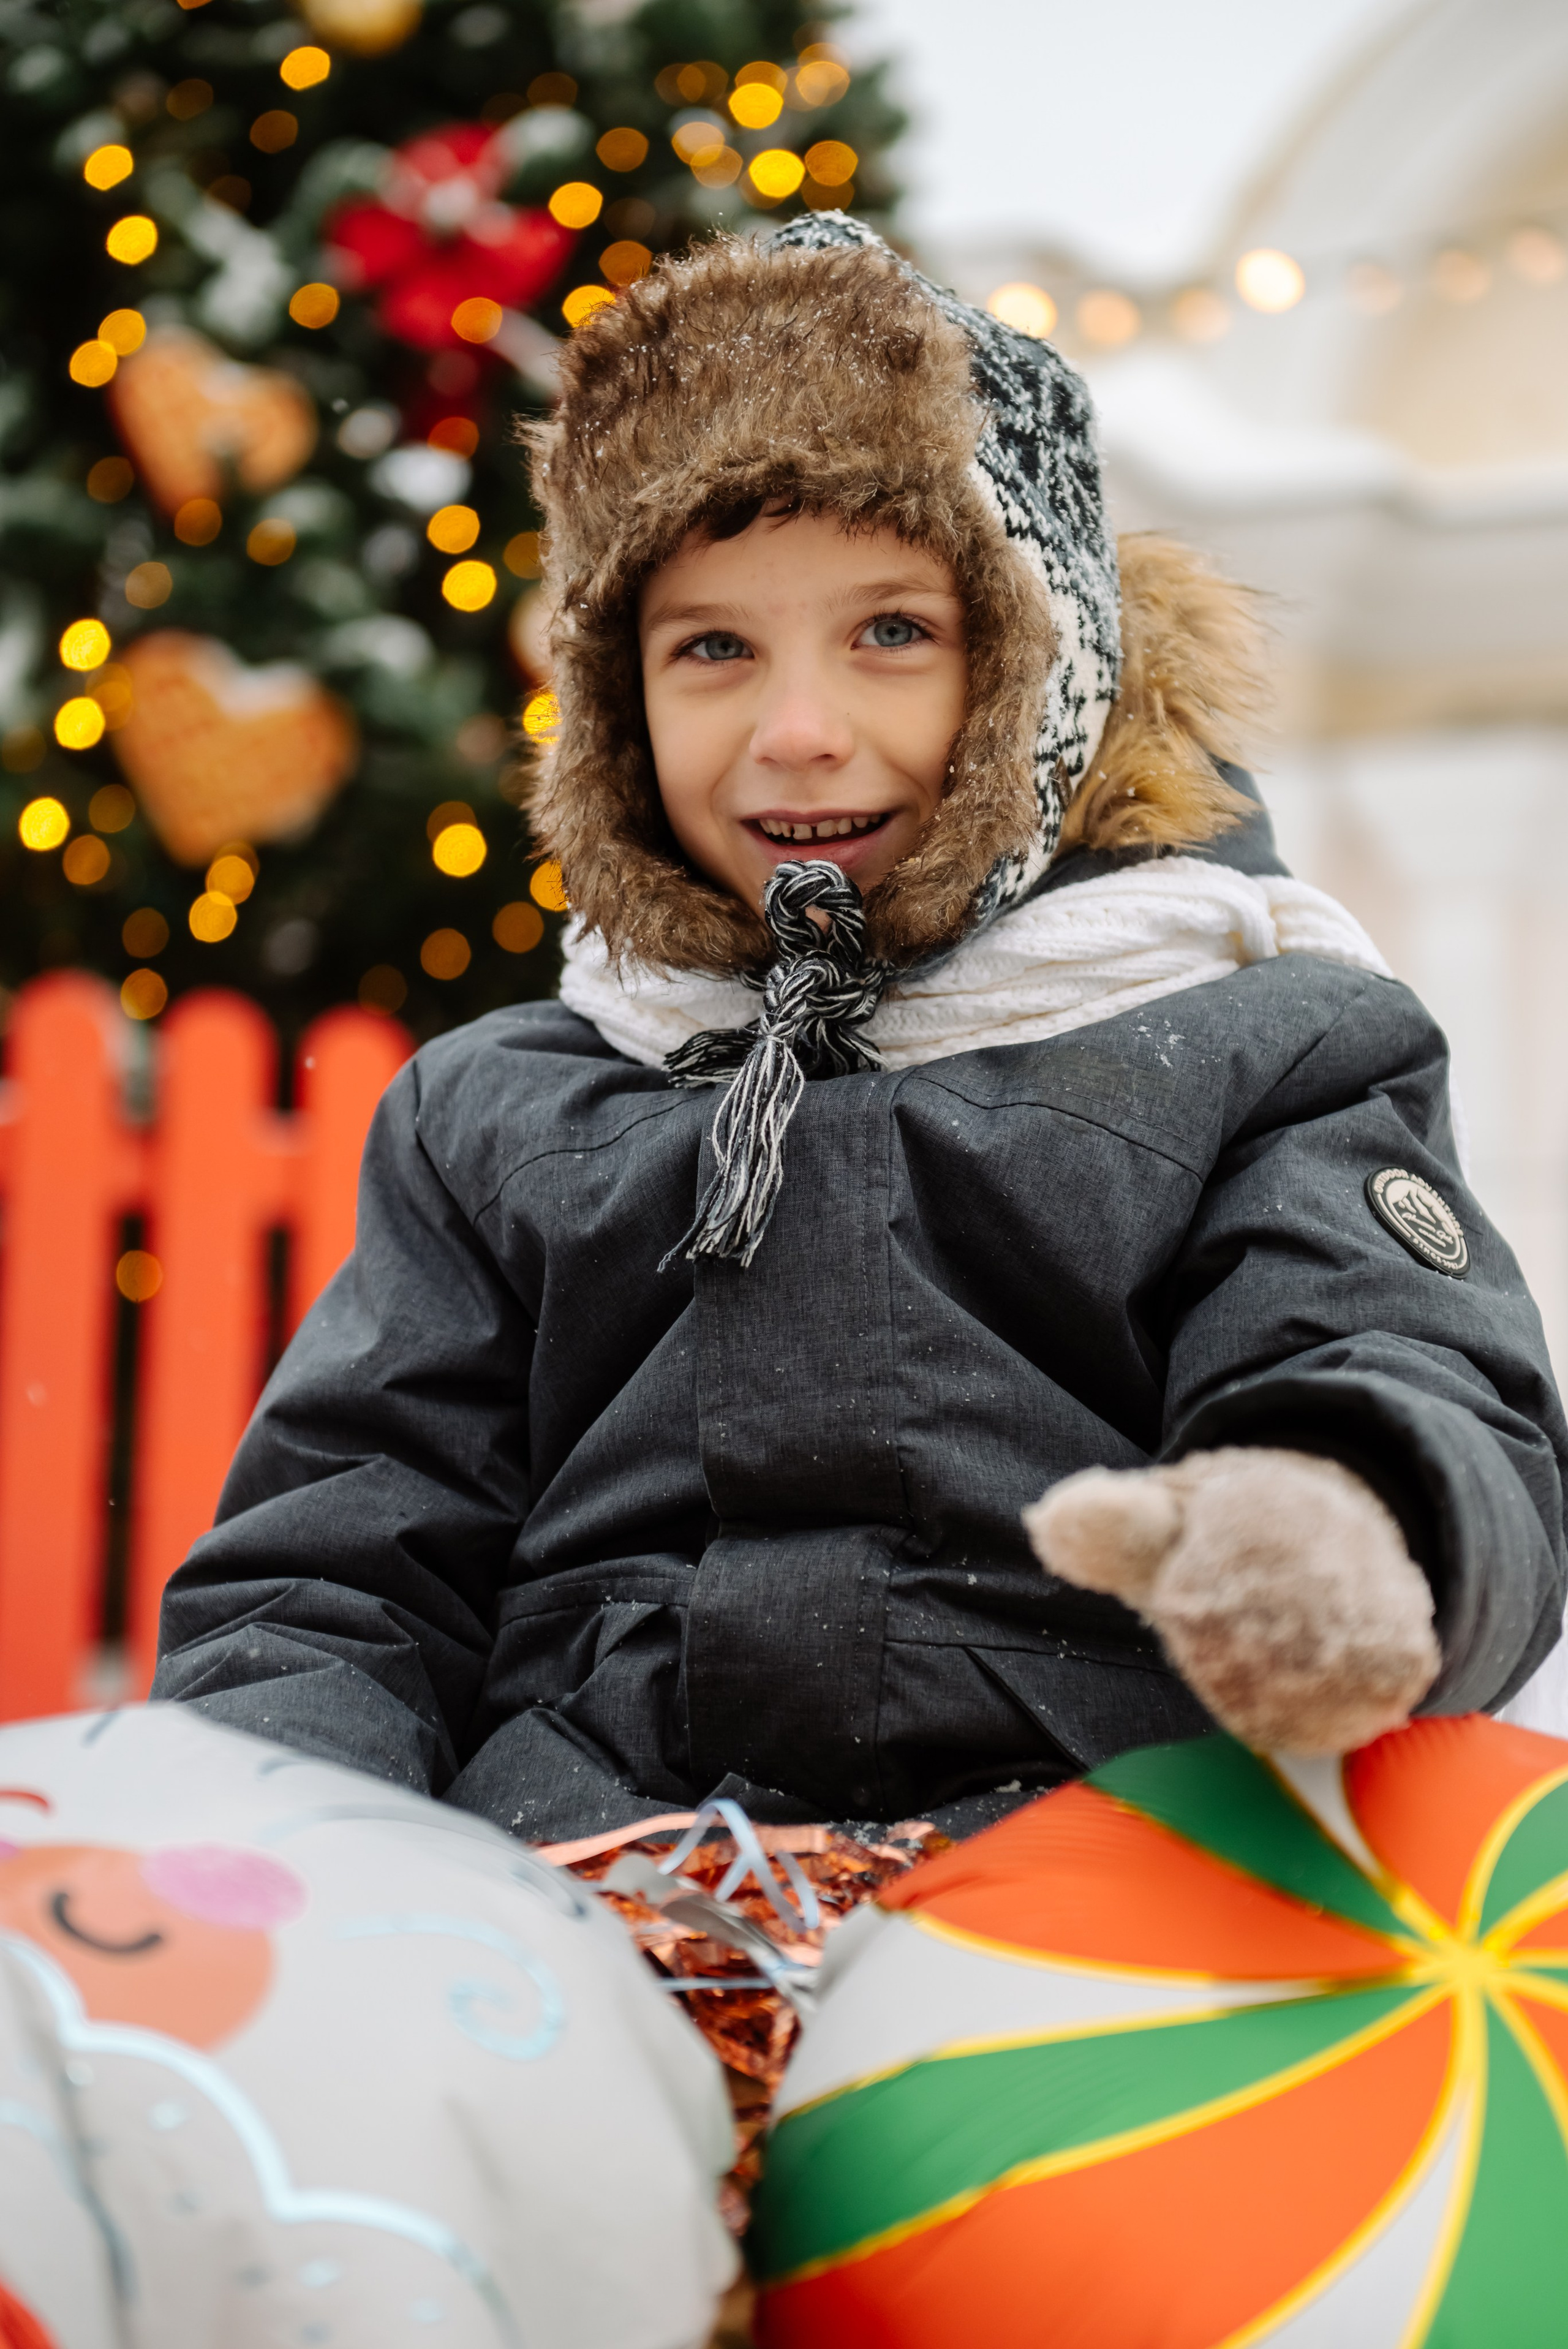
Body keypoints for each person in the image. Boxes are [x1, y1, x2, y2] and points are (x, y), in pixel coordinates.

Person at [154, 215, 1568, 1845]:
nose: (799, 732)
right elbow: (344, 1563)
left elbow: (1385, 1355)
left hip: (1087, 1876)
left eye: (892, 632)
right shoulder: (510, 1115)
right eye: (713, 649)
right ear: (620, 701)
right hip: (598, 1883)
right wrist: (286, 1832)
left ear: (1042, 668)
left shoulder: (1254, 1039)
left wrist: (1336, 1510)